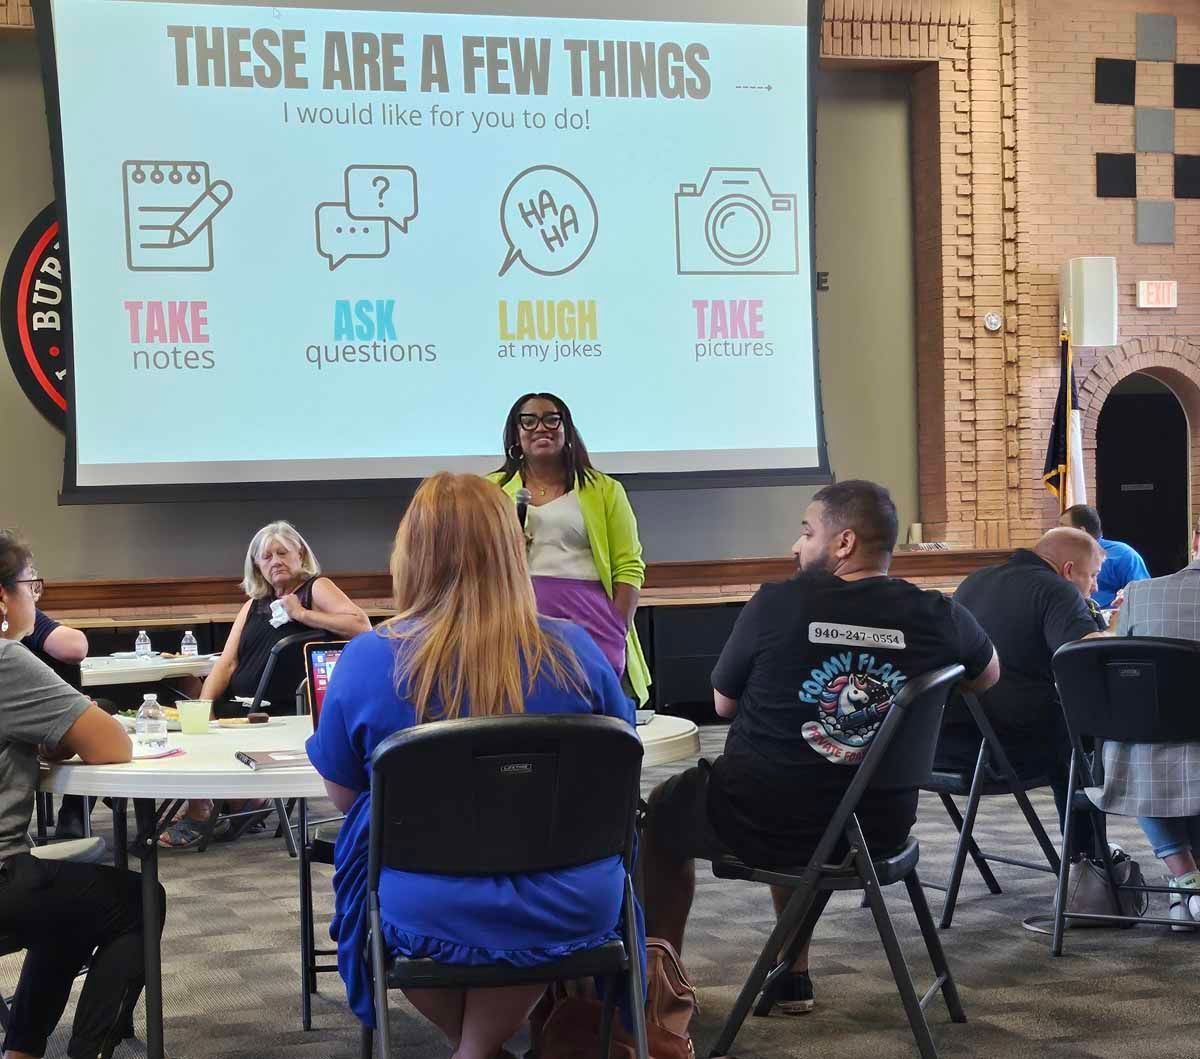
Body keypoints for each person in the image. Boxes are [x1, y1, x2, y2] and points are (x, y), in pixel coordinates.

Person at [307, 473, 640, 1059]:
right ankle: (478, 1049)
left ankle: (471, 1050)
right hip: (570, 895)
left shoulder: (365, 660)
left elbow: (344, 796)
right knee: (531, 901)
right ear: (515, 550)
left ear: (410, 553)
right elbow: (615, 770)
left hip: (426, 900)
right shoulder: (579, 650)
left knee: (371, 854)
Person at [641, 481, 999, 1015]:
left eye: (807, 532)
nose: (795, 545)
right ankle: (792, 974)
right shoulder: (938, 614)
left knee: (663, 815)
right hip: (878, 826)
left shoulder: (777, 603)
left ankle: (657, 983)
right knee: (816, 796)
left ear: (844, 543)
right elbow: (986, 677)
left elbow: (722, 705)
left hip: (765, 819)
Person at [0, 530, 165, 1059]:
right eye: (32, 584)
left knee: (70, 897)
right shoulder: (6, 660)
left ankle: (22, 1050)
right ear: (3, 597)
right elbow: (113, 744)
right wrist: (71, 726)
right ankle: (88, 1051)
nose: (36, 596)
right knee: (139, 901)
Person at [159, 521, 371, 849]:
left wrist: (302, 614)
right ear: (257, 565)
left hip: (281, 710)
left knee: (206, 732)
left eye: (282, 553)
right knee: (188, 714)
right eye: (266, 556)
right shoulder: (254, 604)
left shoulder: (316, 589)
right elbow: (227, 663)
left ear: (300, 554)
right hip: (241, 704)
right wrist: (201, 707)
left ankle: (209, 807)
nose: (275, 561)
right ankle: (236, 802)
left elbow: (361, 626)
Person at [935, 527, 1107, 860]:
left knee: (1064, 729)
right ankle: (1087, 857)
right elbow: (1083, 660)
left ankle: (1088, 852)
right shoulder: (1058, 590)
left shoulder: (975, 580)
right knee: (1085, 737)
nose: (1095, 586)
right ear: (1069, 569)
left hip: (950, 744)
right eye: (1093, 576)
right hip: (1005, 753)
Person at [490, 392, 651, 705]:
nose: (541, 428)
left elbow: (629, 566)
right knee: (526, 706)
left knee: (590, 711)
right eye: (529, 421)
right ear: (515, 434)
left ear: (567, 430)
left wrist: (617, 625)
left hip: (591, 618)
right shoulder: (491, 490)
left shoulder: (604, 489)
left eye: (552, 419)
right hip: (516, 615)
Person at [1098, 559, 1200, 928]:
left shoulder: (1140, 594)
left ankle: (1186, 881)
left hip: (1145, 753)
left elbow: (1120, 665)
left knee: (1145, 746)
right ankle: (1189, 886)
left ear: (1195, 543)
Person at [20, 601, 93, 840]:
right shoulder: (8, 656)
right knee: (95, 724)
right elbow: (74, 648)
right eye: (30, 580)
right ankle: (75, 814)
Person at [1060, 504, 1150, 608]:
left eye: (1062, 526)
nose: (1057, 531)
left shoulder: (1123, 555)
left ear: (1081, 531)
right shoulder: (1060, 556)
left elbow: (1144, 595)